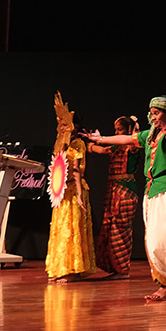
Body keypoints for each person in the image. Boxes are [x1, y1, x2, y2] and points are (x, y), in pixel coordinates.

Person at [86, 96, 166, 303]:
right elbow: (126, 139)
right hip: (152, 190)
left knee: (164, 239)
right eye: (152, 113)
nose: (153, 117)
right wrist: (100, 139)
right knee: (152, 241)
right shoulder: (149, 135)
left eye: (157, 113)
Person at [45, 93, 105, 281]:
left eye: (66, 124)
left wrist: (79, 195)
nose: (62, 127)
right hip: (63, 192)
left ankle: (74, 271)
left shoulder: (78, 143)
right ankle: (60, 267)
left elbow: (77, 171)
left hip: (75, 190)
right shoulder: (60, 145)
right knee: (61, 228)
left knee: (73, 229)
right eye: (60, 124)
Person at [89, 114, 141, 278]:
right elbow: (100, 149)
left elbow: (134, 139)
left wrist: (135, 127)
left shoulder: (131, 147)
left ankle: (123, 270)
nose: (117, 133)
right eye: (116, 130)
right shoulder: (115, 148)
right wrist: (88, 144)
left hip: (125, 193)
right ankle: (114, 268)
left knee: (121, 231)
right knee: (110, 230)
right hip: (113, 192)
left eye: (120, 130)